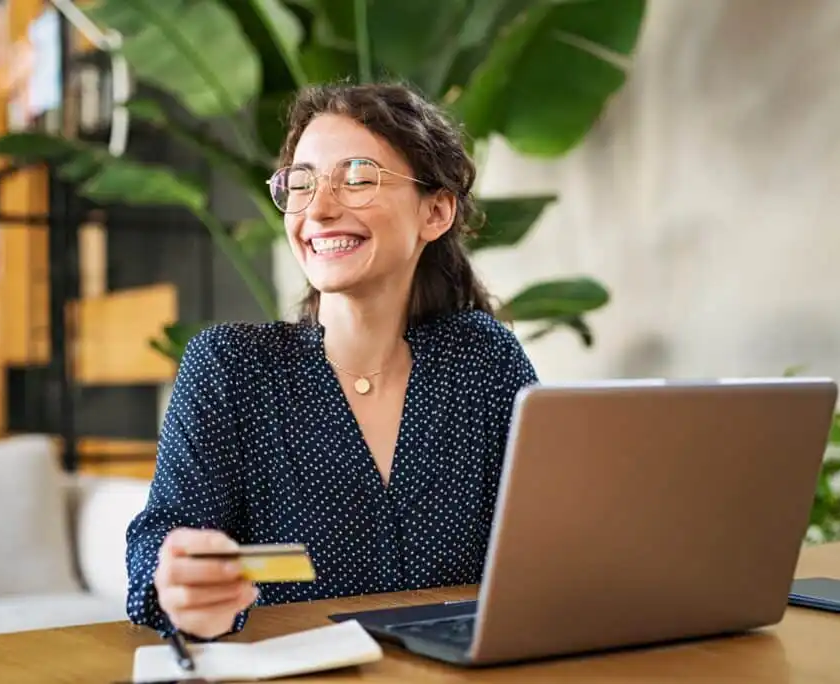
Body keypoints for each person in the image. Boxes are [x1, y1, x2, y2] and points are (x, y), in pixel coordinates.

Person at [125, 81, 539, 641]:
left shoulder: (483, 361)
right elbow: (160, 541)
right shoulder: (230, 367)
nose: (318, 209)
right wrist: (177, 585)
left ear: (436, 211)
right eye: (301, 183)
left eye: (359, 178)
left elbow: (548, 545)